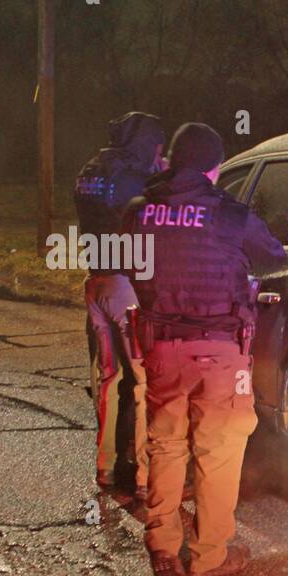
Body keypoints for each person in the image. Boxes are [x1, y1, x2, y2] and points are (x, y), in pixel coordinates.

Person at [124, 122, 286, 576]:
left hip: (160, 348)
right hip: (221, 351)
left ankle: (162, 548)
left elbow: (132, 266)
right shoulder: (229, 214)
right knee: (217, 452)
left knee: (165, 446)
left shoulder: (138, 212)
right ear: (214, 169)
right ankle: (209, 555)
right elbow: (276, 258)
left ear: (170, 161)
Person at [74, 111, 166, 501]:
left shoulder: (90, 170)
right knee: (146, 381)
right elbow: (148, 220)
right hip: (127, 286)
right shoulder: (132, 178)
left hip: (96, 283)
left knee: (110, 380)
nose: (160, 153)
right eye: (157, 147)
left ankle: (107, 466)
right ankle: (147, 475)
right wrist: (159, 177)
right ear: (146, 144)